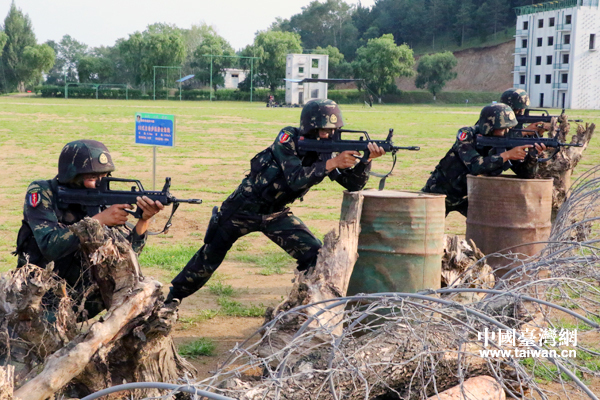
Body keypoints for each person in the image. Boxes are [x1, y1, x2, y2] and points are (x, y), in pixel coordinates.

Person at [167, 99, 385, 303]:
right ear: (310, 127)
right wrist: (332, 163)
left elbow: (352, 184)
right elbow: (295, 180)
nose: (330, 135)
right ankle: (172, 298)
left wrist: (365, 161)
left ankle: (304, 303)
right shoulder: (288, 138)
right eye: (325, 130)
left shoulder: (327, 152)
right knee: (208, 258)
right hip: (241, 210)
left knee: (316, 256)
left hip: (276, 214)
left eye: (333, 130)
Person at [14, 139, 164, 317]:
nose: (98, 184)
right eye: (92, 178)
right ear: (71, 176)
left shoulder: (100, 199)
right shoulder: (42, 192)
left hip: (80, 295)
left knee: (128, 287)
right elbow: (50, 246)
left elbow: (123, 260)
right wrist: (98, 220)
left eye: (103, 177)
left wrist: (143, 221)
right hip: (38, 294)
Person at [422, 103, 546, 217]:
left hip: (472, 196)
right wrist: (507, 155)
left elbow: (526, 174)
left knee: (488, 228)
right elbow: (476, 166)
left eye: (508, 128)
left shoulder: (506, 142)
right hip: (440, 191)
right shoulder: (467, 134)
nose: (506, 132)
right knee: (422, 229)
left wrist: (532, 156)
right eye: (502, 128)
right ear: (488, 127)